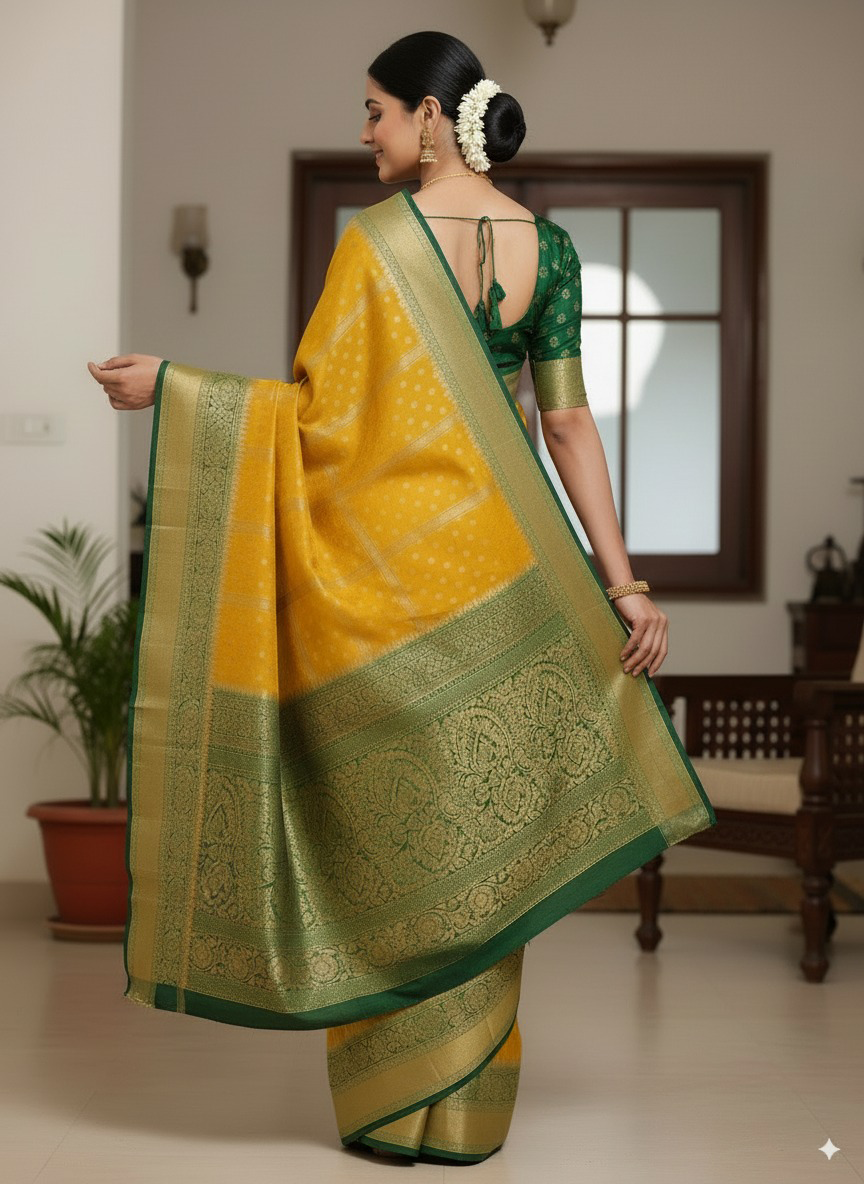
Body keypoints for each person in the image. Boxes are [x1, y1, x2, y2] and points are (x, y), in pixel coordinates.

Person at [89, 31, 714, 1167]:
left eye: (374, 109)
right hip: (511, 579)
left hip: (383, 585)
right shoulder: (551, 250)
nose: (364, 131)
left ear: (431, 116)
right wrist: (621, 580)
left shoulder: (376, 244)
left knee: (393, 830)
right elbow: (568, 424)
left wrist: (175, 388)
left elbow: (316, 421)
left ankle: (391, 1113)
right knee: (484, 832)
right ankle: (463, 1117)